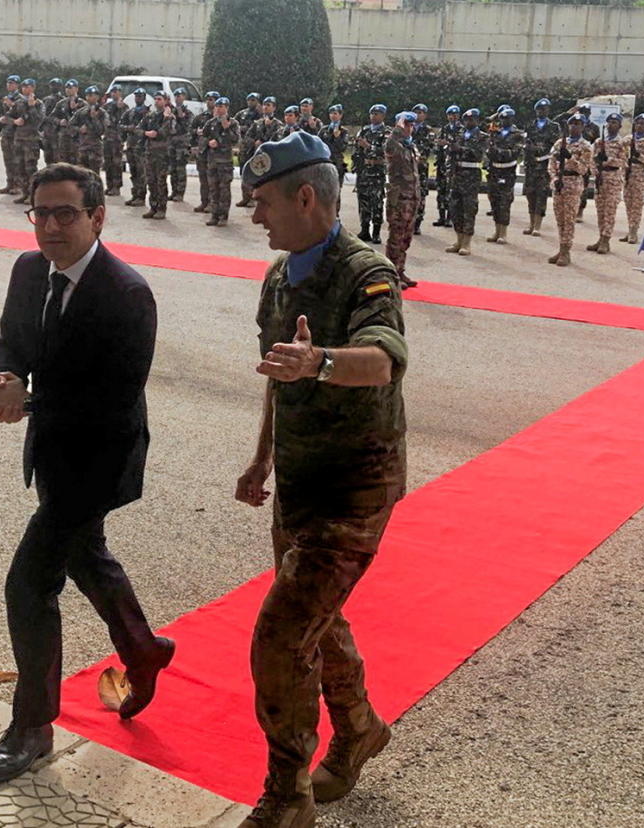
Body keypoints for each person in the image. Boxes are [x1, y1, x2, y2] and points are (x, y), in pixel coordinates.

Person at [0, 162, 175, 785]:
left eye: (67, 213)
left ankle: (33, 727)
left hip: (101, 455)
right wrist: (11, 377)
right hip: (54, 449)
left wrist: (26, 401)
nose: (51, 226)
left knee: (29, 585)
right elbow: (12, 340)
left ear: (97, 217)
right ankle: (145, 650)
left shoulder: (126, 294)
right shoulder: (28, 270)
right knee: (86, 556)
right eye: (41, 213)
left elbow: (112, 400)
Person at [235, 131, 408, 828]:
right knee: (315, 619)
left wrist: (320, 364)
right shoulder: (280, 278)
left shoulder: (367, 272)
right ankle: (360, 725)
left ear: (305, 197)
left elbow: (385, 358)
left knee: (281, 635)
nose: (255, 217)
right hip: (301, 483)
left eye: (264, 202)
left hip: (356, 486)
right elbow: (280, 374)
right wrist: (262, 457)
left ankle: (287, 796)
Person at [547, 114, 595, 266]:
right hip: (559, 184)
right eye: (572, 123)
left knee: (569, 219)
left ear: (583, 127)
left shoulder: (586, 146)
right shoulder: (560, 143)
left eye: (578, 124)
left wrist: (569, 158)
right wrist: (554, 178)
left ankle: (566, 251)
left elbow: (583, 169)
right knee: (560, 218)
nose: (574, 126)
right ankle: (561, 248)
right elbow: (551, 163)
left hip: (573, 184)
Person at [385, 112, 421, 289]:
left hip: (412, 197)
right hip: (399, 199)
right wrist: (397, 129)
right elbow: (391, 148)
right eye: (406, 124)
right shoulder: (392, 143)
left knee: (406, 237)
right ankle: (391, 274)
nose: (409, 128)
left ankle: (400, 270)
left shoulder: (409, 145)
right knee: (396, 237)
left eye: (411, 125)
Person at [446, 108, 488, 256]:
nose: (469, 122)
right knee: (455, 207)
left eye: (472, 119)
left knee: (469, 209)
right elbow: (451, 152)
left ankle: (466, 243)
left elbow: (478, 154)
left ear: (477, 121)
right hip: (457, 174)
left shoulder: (482, 136)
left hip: (471, 175)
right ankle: (458, 240)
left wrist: (460, 149)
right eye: (467, 120)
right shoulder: (459, 134)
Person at [587, 112, 625, 254]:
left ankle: (605, 240)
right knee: (600, 211)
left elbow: (624, 162)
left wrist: (607, 159)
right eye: (609, 122)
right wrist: (595, 171)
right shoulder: (598, 142)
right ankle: (600, 237)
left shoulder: (622, 143)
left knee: (609, 211)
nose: (611, 125)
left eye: (615, 122)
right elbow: (591, 160)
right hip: (600, 178)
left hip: (613, 178)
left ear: (620, 126)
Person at [484, 106, 522, 245]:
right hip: (494, 170)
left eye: (508, 118)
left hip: (507, 171)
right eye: (502, 118)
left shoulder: (517, 134)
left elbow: (514, 153)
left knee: (504, 202)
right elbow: (488, 148)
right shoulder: (495, 132)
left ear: (512, 119)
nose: (505, 121)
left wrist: (498, 152)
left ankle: (503, 233)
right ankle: (496, 230)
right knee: (494, 200)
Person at [522, 98, 560, 237]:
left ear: (548, 110)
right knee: (530, 194)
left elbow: (555, 145)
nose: (541, 111)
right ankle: (531, 223)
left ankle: (537, 225)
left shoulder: (554, 126)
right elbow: (525, 142)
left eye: (544, 109)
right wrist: (528, 149)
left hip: (544, 165)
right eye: (539, 109)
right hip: (531, 165)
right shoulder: (530, 126)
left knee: (541, 195)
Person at [619, 113, 644, 244]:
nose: (639, 125)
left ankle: (633, 231)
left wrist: (638, 155)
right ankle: (630, 228)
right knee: (628, 203)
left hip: (640, 175)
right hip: (627, 174)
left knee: (637, 204)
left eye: (642, 123)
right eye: (637, 123)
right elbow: (619, 153)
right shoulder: (627, 139)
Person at [354, 104, 391, 244]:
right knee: (363, 202)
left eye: (377, 114)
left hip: (377, 172)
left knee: (376, 202)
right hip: (364, 171)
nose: (374, 116)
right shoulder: (364, 131)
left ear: (383, 116)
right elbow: (357, 150)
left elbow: (385, 150)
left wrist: (369, 147)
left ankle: (376, 232)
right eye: (372, 113)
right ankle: (364, 230)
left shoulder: (387, 132)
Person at [202, 96, 240, 227]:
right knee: (213, 189)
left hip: (225, 162)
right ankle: (214, 215)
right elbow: (202, 137)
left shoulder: (233, 123)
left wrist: (227, 129)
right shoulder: (211, 123)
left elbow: (235, 140)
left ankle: (223, 216)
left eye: (221, 107)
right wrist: (208, 142)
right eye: (217, 106)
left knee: (224, 190)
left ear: (227, 108)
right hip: (212, 161)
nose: (218, 109)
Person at [140, 91, 177, 219]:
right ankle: (153, 207)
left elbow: (166, 132)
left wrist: (158, 129)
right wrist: (146, 133)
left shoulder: (170, 117)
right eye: (155, 99)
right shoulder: (150, 115)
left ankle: (161, 208)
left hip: (162, 154)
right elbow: (139, 128)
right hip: (150, 152)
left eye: (159, 99)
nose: (156, 101)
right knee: (151, 181)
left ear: (166, 101)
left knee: (161, 182)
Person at [11, 78, 45, 205]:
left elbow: (38, 121)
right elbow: (6, 117)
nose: (25, 89)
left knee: (30, 169)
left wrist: (31, 107)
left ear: (33, 88)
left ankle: (33, 195)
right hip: (19, 140)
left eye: (28, 86)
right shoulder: (18, 103)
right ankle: (25, 193)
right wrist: (14, 121)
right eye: (24, 86)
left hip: (31, 141)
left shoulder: (39, 104)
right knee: (20, 168)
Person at [432, 105, 461, 228]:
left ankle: (450, 217)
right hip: (442, 164)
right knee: (441, 191)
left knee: (451, 191)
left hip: (454, 165)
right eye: (450, 114)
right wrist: (438, 144)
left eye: (454, 114)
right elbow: (437, 144)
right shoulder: (444, 129)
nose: (452, 117)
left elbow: (459, 145)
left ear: (458, 116)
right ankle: (441, 216)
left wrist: (448, 143)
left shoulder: (461, 130)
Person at [191, 90, 220, 213]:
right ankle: (204, 202)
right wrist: (193, 145)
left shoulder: (221, 118)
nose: (209, 102)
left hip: (215, 153)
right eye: (208, 99)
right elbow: (191, 131)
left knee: (213, 180)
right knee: (203, 179)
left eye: (212, 99)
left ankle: (213, 204)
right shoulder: (200, 117)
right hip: (202, 152)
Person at [121, 89, 150, 206]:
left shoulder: (147, 113)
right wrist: (129, 128)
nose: (138, 98)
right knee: (133, 172)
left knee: (141, 172)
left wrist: (139, 130)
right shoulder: (130, 112)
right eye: (136, 96)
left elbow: (149, 128)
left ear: (144, 97)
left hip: (141, 147)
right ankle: (135, 195)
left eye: (140, 96)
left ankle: (141, 197)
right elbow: (120, 125)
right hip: (131, 145)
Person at [236, 93, 264, 207]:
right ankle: (245, 197)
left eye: (253, 100)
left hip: (256, 148)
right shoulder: (242, 113)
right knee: (244, 172)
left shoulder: (262, 115)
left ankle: (253, 198)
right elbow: (234, 125)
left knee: (255, 172)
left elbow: (262, 130)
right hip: (244, 147)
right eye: (249, 100)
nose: (251, 102)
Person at [72, 85, 108, 176]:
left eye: (94, 95)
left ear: (98, 97)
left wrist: (94, 118)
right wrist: (79, 129)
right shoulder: (80, 112)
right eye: (89, 95)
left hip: (95, 149)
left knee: (95, 176)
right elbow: (70, 126)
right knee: (82, 176)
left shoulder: (102, 113)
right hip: (82, 148)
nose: (92, 97)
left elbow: (102, 131)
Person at [321, 104, 350, 213]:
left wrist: (337, 137)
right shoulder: (324, 130)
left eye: (335, 113)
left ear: (340, 115)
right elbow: (318, 144)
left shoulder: (343, 131)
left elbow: (343, 148)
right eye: (331, 113)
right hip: (325, 164)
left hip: (337, 165)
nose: (333, 116)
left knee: (336, 192)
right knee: (323, 191)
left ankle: (335, 216)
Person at [410, 104, 434, 235]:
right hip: (407, 166)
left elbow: (428, 148)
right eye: (416, 112)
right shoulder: (407, 127)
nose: (418, 115)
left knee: (421, 194)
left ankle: (417, 223)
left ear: (425, 115)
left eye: (421, 112)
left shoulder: (428, 130)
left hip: (421, 166)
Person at [102, 86, 128, 196]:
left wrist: (120, 108)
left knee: (116, 163)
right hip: (107, 137)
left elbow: (125, 121)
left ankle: (116, 186)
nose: (113, 94)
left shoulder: (124, 107)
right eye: (112, 92)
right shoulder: (107, 106)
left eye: (115, 92)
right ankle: (109, 185)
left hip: (117, 139)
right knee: (107, 163)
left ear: (120, 93)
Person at [52, 80, 86, 166]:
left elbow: (85, 120)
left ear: (76, 89)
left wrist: (74, 109)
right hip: (64, 138)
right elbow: (51, 117)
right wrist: (59, 121)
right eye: (66, 88)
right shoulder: (61, 103)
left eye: (70, 88)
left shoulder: (83, 104)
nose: (68, 90)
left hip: (77, 138)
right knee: (63, 163)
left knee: (78, 163)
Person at [0, 75, 22, 195]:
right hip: (6, 133)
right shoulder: (6, 98)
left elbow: (22, 115)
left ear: (17, 85)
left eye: (12, 83)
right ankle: (10, 183)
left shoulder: (20, 99)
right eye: (8, 83)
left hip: (16, 134)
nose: (9, 85)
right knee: (7, 159)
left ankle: (18, 185)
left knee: (16, 160)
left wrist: (11, 105)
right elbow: (2, 114)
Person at [169, 88, 194, 202]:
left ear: (184, 97)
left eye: (180, 95)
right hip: (171, 143)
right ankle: (173, 191)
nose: (178, 97)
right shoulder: (170, 111)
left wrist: (180, 115)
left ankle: (180, 193)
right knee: (172, 169)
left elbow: (186, 126)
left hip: (181, 144)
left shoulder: (188, 113)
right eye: (176, 95)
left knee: (180, 169)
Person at [40, 78, 64, 166]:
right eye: (52, 85)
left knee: (58, 160)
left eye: (56, 85)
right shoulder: (46, 100)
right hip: (47, 134)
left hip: (58, 134)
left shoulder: (63, 101)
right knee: (48, 159)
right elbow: (42, 116)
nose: (54, 87)